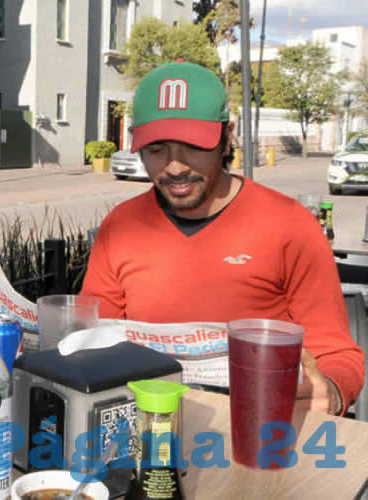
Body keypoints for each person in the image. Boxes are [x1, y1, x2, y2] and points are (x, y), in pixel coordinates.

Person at [80, 61, 364, 416]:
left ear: (226, 137)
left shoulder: (290, 225)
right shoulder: (120, 226)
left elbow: (338, 355)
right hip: (150, 428)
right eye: (156, 149)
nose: (175, 166)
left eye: (192, 146)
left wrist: (332, 392)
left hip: (259, 432)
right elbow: (95, 339)